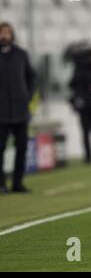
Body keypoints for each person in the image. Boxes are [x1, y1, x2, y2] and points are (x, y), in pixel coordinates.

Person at [0, 22, 36, 194]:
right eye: (2, 32)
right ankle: (1, 184)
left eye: (7, 32)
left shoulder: (21, 54)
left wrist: (27, 96)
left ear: (12, 34)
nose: (4, 36)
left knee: (21, 148)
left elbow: (32, 77)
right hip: (2, 113)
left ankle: (17, 183)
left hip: (20, 111)